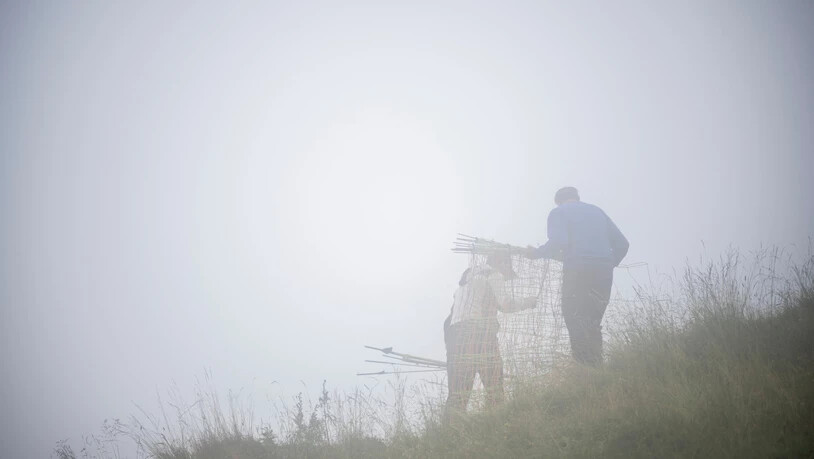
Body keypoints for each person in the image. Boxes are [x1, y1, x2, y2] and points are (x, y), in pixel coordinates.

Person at [524, 186, 628, 366]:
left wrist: (537, 253)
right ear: (577, 198)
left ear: (558, 201)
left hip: (577, 271)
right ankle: (597, 370)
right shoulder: (598, 212)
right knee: (593, 322)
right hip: (604, 273)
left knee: (575, 318)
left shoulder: (559, 212)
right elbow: (623, 244)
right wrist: (608, 263)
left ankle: (584, 372)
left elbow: (559, 242)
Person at [443, 252, 536, 417]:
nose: (506, 277)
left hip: (456, 336)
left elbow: (448, 322)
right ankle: (498, 422)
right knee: (494, 387)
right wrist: (527, 302)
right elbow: (505, 304)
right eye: (507, 268)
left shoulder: (465, 282)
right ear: (501, 263)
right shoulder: (494, 274)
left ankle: (449, 430)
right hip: (480, 332)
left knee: (458, 392)